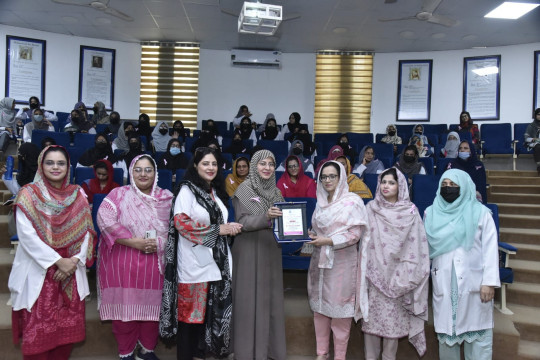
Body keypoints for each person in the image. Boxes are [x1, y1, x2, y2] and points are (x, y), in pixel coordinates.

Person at [9, 145, 95, 359]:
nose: (55, 167)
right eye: (50, 162)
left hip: (70, 274)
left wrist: (73, 261)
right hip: (41, 269)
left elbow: (87, 232)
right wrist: (58, 261)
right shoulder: (28, 194)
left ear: (68, 166)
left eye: (61, 163)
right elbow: (27, 236)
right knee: (37, 335)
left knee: (64, 337)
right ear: (41, 165)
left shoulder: (78, 194)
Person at [159, 147, 242, 360]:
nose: (211, 167)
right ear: (196, 166)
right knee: (189, 320)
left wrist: (227, 227)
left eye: (214, 164)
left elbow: (217, 221)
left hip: (215, 265)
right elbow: (181, 222)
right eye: (205, 163)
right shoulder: (187, 190)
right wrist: (217, 230)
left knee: (206, 318)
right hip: (193, 267)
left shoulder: (214, 191)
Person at [97, 154, 173, 360]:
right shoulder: (118, 194)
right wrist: (133, 242)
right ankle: (126, 352)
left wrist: (158, 243)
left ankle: (147, 350)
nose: (143, 174)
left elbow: (174, 230)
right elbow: (104, 219)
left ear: (155, 173)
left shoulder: (166, 198)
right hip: (123, 262)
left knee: (153, 310)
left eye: (148, 169)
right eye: (138, 169)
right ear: (131, 172)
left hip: (155, 264)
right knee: (124, 311)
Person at [424, 169, 500, 360]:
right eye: (444, 185)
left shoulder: (481, 213)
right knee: (447, 338)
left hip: (475, 283)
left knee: (478, 342)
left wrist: (489, 282)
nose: (448, 189)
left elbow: (490, 249)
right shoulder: (430, 213)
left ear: (464, 187)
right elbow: (423, 249)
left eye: (453, 185)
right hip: (444, 282)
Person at [362, 168, 429, 360]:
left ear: (400, 186)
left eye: (391, 182)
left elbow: (418, 246)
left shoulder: (410, 212)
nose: (386, 186)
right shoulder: (370, 209)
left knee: (392, 326)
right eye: (383, 182)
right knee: (371, 326)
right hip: (374, 276)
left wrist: (406, 273)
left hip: (399, 279)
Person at [307, 160, 369, 360]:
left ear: (341, 176)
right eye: (324, 177)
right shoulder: (321, 202)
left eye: (332, 176)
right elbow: (318, 229)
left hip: (342, 263)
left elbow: (355, 234)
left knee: (341, 313)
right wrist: (313, 234)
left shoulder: (352, 201)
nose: (327, 180)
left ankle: (339, 356)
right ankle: (321, 353)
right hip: (320, 263)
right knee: (320, 310)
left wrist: (329, 240)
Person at [231, 150, 287, 360]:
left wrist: (298, 232)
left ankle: (268, 351)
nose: (267, 167)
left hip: (270, 252)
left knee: (269, 301)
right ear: (255, 166)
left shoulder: (277, 192)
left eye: (271, 164)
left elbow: (284, 222)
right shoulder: (244, 189)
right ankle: (246, 353)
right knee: (248, 302)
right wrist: (265, 217)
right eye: (262, 163)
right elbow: (242, 222)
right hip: (248, 252)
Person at [523, 108, 540, 174]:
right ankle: (539, 165)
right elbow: (526, 138)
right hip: (534, 143)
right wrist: (534, 139)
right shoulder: (531, 126)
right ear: (535, 115)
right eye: (538, 114)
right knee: (538, 147)